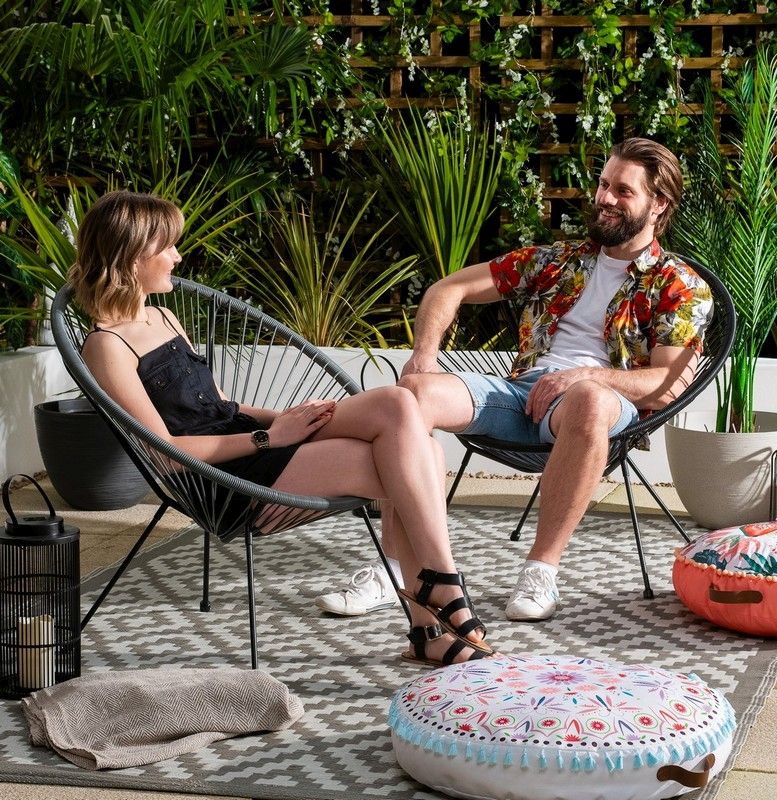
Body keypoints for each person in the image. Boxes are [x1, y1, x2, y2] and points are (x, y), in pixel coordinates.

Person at [69, 189, 495, 667]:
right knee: (423, 457)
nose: (178, 256)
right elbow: (165, 453)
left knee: (398, 405)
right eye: (167, 246)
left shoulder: (163, 315)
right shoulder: (106, 345)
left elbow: (220, 405)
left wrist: (287, 420)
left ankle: (435, 603)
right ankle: (438, 602)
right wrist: (269, 438)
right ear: (131, 257)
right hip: (223, 479)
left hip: (258, 443)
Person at [317, 137, 713, 622]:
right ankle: (397, 570)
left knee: (589, 399)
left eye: (623, 191)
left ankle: (540, 572)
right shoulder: (557, 261)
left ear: (659, 204)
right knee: (413, 395)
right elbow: (448, 289)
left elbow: (668, 383)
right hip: (521, 395)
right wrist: (423, 357)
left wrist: (583, 375)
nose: (605, 197)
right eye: (603, 184)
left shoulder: (678, 284)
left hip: (600, 402)